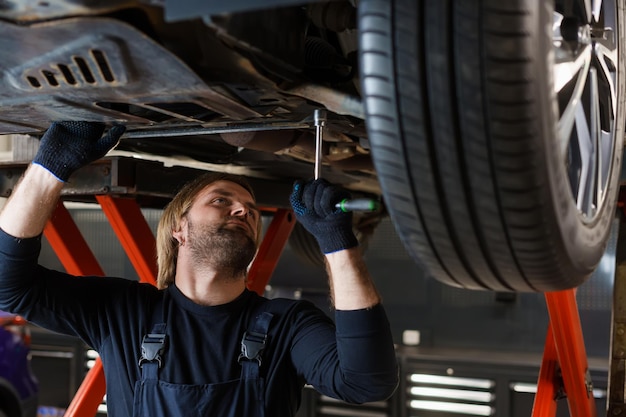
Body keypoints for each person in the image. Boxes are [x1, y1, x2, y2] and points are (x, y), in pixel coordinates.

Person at [0, 122, 398, 417]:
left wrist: (337, 242)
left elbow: (366, 381)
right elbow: (8, 286)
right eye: (222, 200)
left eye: (251, 210)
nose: (243, 209)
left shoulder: (287, 326)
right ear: (179, 228)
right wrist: (50, 167)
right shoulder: (123, 313)